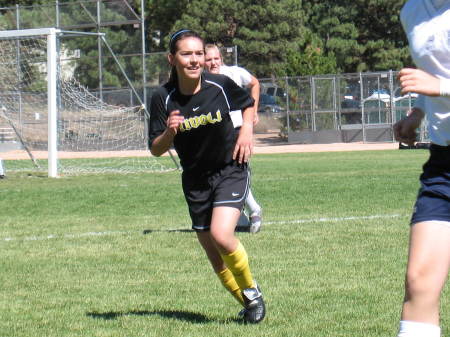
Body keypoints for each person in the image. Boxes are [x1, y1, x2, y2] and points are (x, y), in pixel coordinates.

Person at [148, 29, 266, 324]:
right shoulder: (163, 98)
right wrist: (169, 132)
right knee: (214, 256)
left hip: (230, 169)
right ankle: (249, 305)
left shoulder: (220, 84)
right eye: (186, 54)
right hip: (196, 181)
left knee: (221, 235)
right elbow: (156, 149)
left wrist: (246, 132)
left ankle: (252, 291)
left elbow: (247, 104)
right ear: (172, 59)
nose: (194, 60)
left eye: (198, 53)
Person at [393, 1, 450, 336]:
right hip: (444, 164)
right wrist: (418, 113)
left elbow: (438, 81)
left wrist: (439, 87)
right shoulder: (410, 11)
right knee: (419, 282)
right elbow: (436, 75)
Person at [204, 44, 263, 233]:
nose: (213, 63)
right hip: (214, 134)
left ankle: (253, 210)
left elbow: (254, 83)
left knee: (234, 172)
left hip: (237, 131)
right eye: (209, 59)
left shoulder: (234, 73)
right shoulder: (200, 80)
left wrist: (253, 110)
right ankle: (242, 217)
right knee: (225, 174)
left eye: (215, 58)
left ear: (221, 58)